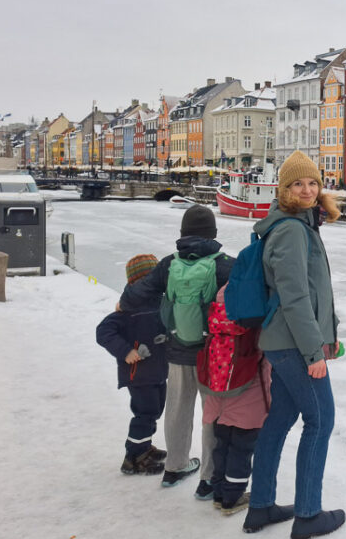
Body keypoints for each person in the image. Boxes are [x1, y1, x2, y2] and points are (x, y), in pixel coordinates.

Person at [242, 150, 346, 539]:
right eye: (298, 183)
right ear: (284, 189)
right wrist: (313, 352)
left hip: (287, 342)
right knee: (321, 422)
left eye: (312, 182)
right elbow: (295, 297)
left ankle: (262, 505)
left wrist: (328, 336)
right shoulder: (290, 229)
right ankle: (307, 515)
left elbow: (316, 294)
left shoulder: (301, 225)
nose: (307, 189)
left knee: (281, 420)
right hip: (292, 346)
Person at [120, 205, 233, 496]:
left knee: (177, 410)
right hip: (213, 356)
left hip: (177, 350)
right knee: (213, 415)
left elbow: (132, 296)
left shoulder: (169, 264)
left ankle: (174, 467)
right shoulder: (225, 265)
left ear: (182, 233)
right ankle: (208, 479)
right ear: (214, 234)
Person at [199, 284, 271, 516]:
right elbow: (265, 360)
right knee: (242, 449)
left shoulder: (216, 318)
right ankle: (233, 496)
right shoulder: (253, 324)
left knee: (222, 447)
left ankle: (219, 492)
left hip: (217, 400)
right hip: (246, 399)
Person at [96, 254, 169, 475]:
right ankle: (134, 457)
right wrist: (126, 351)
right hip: (139, 373)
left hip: (158, 370)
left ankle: (143, 446)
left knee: (154, 411)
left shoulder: (161, 301)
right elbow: (103, 332)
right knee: (145, 414)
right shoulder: (128, 309)